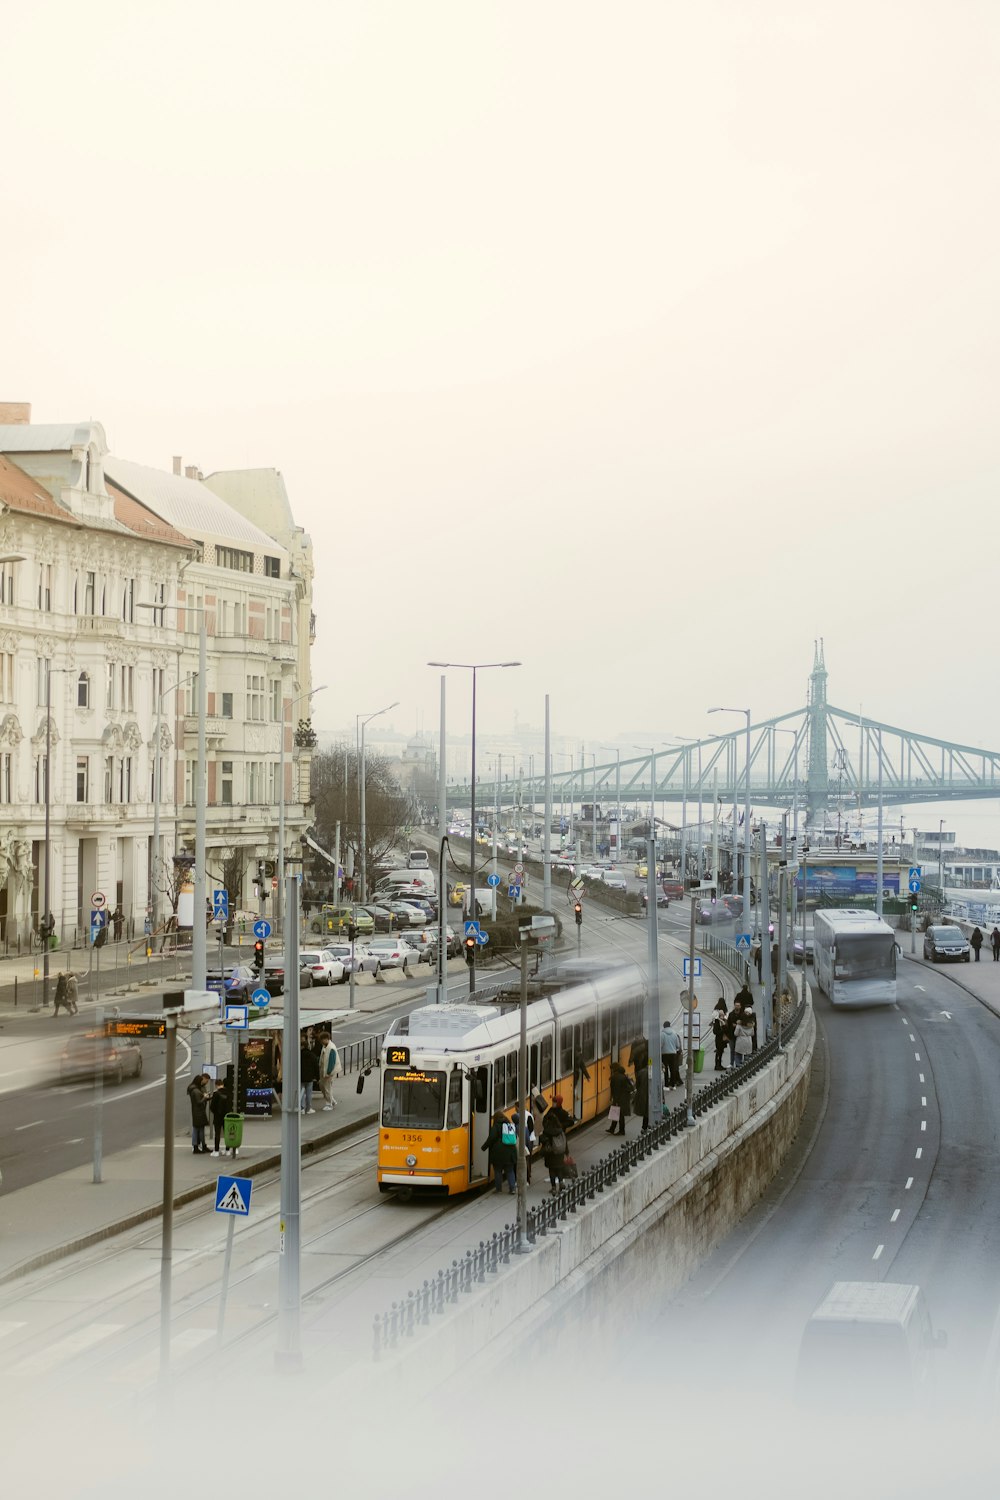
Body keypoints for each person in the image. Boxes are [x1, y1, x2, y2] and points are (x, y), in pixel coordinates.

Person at [540, 1095, 573, 1192]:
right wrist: (566, 1152)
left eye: (554, 1102)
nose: (553, 1103)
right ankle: (561, 1182)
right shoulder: (560, 1131)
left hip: (551, 1152)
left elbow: (543, 1138)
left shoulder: (548, 1130)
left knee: (552, 1169)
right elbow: (564, 1141)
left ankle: (554, 1187)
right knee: (559, 1167)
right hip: (559, 1150)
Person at [482, 1110, 517, 1194]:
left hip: (498, 1152)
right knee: (510, 1170)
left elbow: (491, 1138)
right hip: (510, 1151)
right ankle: (512, 1189)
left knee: (498, 1171)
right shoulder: (509, 1125)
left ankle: (499, 1189)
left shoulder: (496, 1126)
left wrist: (484, 1147)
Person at [511, 1105, 535, 1184]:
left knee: (516, 1165)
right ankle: (527, 1180)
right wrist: (528, 1147)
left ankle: (515, 1180)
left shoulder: (513, 1128)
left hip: (516, 1149)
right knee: (525, 1164)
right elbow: (527, 1140)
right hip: (524, 1148)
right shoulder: (524, 1128)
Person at [187, 1074, 210, 1154]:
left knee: (198, 1129)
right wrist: (205, 1097)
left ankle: (198, 1146)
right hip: (198, 1112)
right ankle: (198, 1146)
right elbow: (198, 1102)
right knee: (199, 1129)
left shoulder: (194, 1089)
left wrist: (207, 1097)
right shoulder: (196, 1090)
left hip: (197, 1112)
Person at [608, 1061, 631, 1135]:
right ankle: (612, 1128)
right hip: (624, 1098)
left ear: (614, 1069)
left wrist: (615, 1100)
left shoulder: (616, 1077)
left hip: (620, 1098)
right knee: (616, 1112)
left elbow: (616, 1090)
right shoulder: (623, 1076)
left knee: (620, 1114)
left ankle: (622, 1131)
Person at [318, 1031, 339, 1110]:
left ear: (326, 1039)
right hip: (324, 1070)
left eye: (322, 1040)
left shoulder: (331, 1048)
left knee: (327, 1088)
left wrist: (328, 1072)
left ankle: (329, 1104)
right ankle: (332, 1101)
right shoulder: (325, 1046)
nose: (321, 1042)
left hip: (328, 1072)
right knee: (322, 1085)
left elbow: (331, 1061)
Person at [660, 1017, 682, 1089]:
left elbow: (660, 1045)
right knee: (672, 1069)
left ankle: (666, 1085)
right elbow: (678, 1045)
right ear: (670, 1026)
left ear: (664, 1026)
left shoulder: (662, 1034)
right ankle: (673, 1084)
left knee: (665, 1069)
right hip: (673, 1054)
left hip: (664, 1054)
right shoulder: (674, 1033)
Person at [300, 1037, 320, 1113]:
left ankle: (301, 1108)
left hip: (300, 1077)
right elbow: (316, 1067)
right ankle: (308, 1108)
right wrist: (318, 1078)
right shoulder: (312, 1055)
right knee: (309, 1093)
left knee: (301, 1093)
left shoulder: (298, 1055)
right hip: (309, 1077)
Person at [210, 1080, 229, 1157]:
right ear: (223, 1084)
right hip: (227, 1116)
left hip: (218, 1116)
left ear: (216, 1085)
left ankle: (216, 1151)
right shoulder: (228, 1092)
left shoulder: (216, 1094)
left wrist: (215, 1112)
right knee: (227, 1133)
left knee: (217, 1133)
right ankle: (227, 1150)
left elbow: (212, 1107)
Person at [711, 999, 729, 1071]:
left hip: (722, 1039)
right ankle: (717, 1065)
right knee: (719, 1051)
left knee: (720, 1052)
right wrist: (721, 1031)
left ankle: (719, 1064)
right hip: (719, 1039)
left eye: (723, 1015)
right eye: (721, 1015)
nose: (722, 1016)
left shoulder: (724, 1021)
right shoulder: (717, 1021)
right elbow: (715, 1031)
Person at [726, 999, 744, 1069]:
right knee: (732, 1049)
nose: (737, 1007)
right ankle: (731, 1063)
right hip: (732, 1035)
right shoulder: (731, 1014)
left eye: (738, 1005)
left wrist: (737, 1025)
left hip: (740, 1035)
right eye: (736, 1005)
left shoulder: (742, 1015)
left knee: (739, 1049)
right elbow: (728, 1024)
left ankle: (739, 1062)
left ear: (740, 1006)